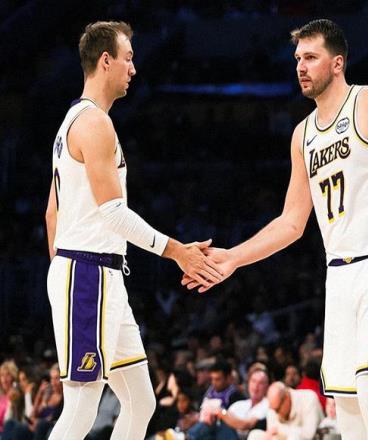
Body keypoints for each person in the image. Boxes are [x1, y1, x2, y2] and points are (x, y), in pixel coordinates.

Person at [183, 18, 368, 440]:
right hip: (339, 273)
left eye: (311, 57)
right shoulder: (302, 135)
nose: (301, 67)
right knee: (347, 405)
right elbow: (291, 222)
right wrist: (233, 258)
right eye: (297, 59)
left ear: (337, 63)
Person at [44, 21, 222, 439]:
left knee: (141, 401)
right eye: (128, 58)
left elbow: (52, 213)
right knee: (82, 405)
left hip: (97, 274)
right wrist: (176, 250)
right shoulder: (94, 123)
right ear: (105, 61)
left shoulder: (74, 121)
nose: (133, 68)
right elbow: (113, 213)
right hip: (88, 273)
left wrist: (64, 269)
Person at [247, 381, 324, 440]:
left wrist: (279, 429)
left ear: (286, 398)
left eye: (277, 409)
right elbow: (272, 433)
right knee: (254, 435)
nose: (276, 413)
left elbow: (308, 434)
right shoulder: (273, 406)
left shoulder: (309, 398)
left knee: (294, 438)